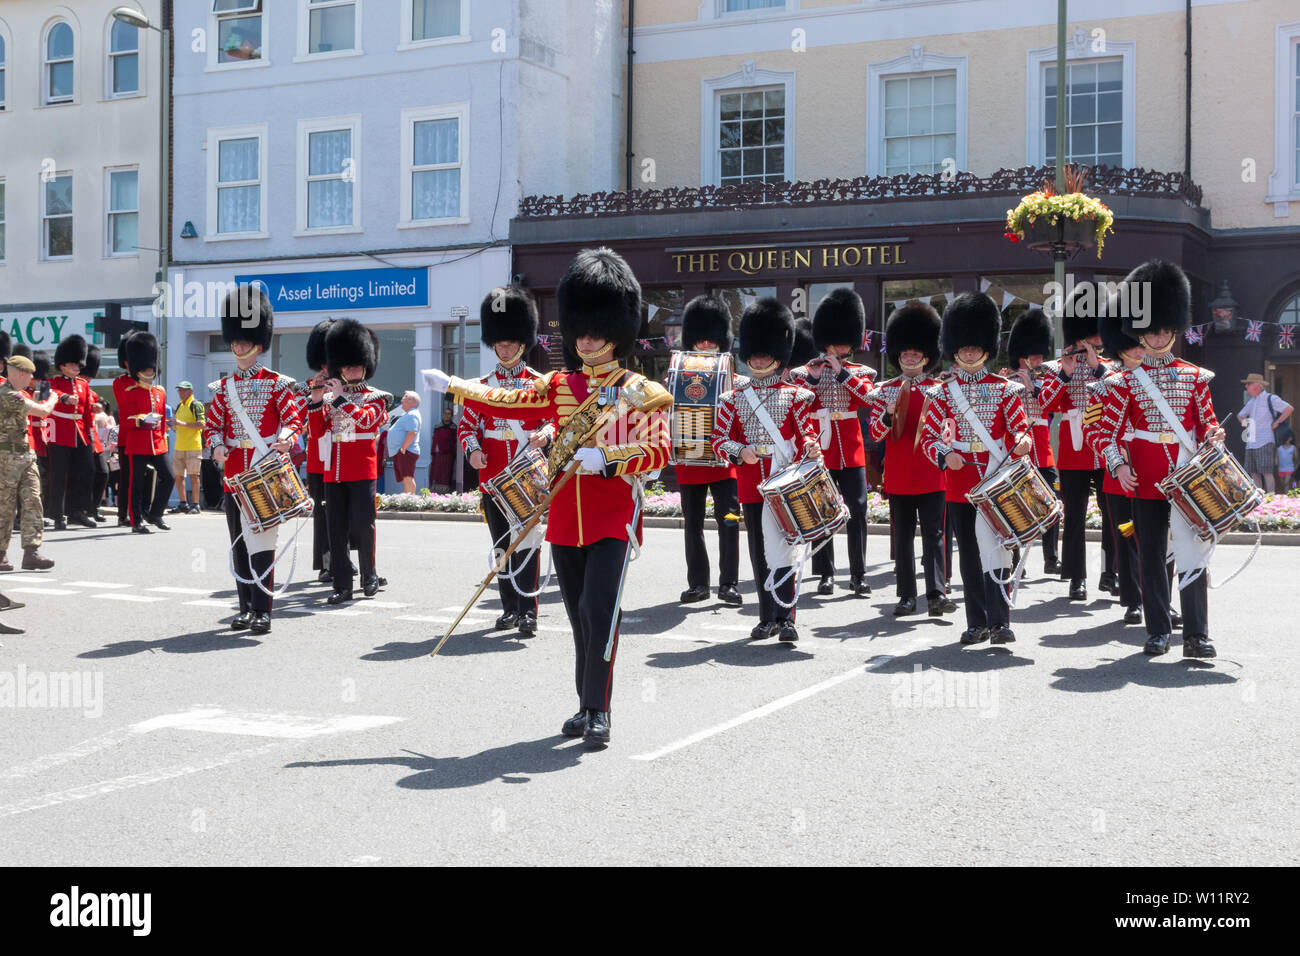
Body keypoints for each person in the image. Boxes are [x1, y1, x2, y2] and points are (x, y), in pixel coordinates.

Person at [425, 248, 673, 747]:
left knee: (599, 611)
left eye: (596, 330)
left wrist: (611, 459)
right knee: (580, 615)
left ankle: (599, 709)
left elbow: (660, 450)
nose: (586, 339)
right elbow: (509, 398)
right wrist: (455, 385)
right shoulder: (561, 384)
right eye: (580, 330)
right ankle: (585, 705)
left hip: (612, 518)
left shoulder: (639, 390)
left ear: (615, 331)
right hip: (564, 517)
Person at [1091, 259, 1224, 658]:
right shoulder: (1122, 383)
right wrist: (1119, 464)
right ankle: (1158, 631)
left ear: (1174, 328)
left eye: (1165, 329)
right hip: (1146, 478)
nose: (1159, 335)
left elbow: (1208, 426)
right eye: (1152, 330)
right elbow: (1103, 433)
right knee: (1151, 557)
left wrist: (1215, 439)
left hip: (1187, 479)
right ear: (1141, 333)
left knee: (1192, 555)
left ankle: (1197, 634)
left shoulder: (1195, 376)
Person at [919, 292, 1033, 646]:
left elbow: (1016, 427)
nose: (969, 354)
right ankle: (976, 621)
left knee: (997, 549)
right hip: (961, 480)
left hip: (996, 477)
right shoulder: (941, 393)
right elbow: (927, 438)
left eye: (974, 348)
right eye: (963, 349)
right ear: (955, 349)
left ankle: (1000, 622)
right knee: (969, 554)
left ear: (986, 348)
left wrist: (1022, 442)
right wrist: (944, 455)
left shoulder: (1006, 390)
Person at [712, 297, 821, 643]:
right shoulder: (734, 398)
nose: (758, 360)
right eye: (754, 355)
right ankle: (766, 617)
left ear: (778, 355)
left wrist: (812, 449)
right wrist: (739, 450)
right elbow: (718, 440)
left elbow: (807, 436)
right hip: (751, 485)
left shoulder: (797, 396)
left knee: (786, 550)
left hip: (784, 484)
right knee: (761, 553)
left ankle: (787, 616)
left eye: (764, 354)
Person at [203, 286, 304, 635]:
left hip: (263, 471)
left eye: (245, 341)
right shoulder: (221, 389)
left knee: (262, 541)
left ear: (257, 344)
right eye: (236, 341)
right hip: (234, 474)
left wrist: (287, 439)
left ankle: (263, 610)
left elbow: (293, 418)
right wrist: (216, 446)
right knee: (238, 542)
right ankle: (245, 606)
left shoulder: (277, 385)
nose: (239, 346)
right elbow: (213, 425)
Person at [456, 286, 547, 636]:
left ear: (523, 344)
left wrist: (546, 435)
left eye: (511, 344)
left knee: (528, 541)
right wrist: (473, 450)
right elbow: (467, 427)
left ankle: (529, 610)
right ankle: (509, 607)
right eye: (501, 344)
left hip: (527, 474)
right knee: (501, 545)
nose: (506, 349)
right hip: (492, 473)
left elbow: (554, 418)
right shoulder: (481, 387)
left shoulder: (540, 385)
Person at [787, 289, 877, 597]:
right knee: (822, 511)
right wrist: (813, 379)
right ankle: (825, 573)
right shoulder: (802, 372)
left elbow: (867, 398)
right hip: (820, 449)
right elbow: (798, 406)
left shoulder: (861, 372)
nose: (843, 347)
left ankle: (858, 574)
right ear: (825, 340)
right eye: (837, 341)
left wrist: (841, 374)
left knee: (858, 510)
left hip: (850, 450)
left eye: (846, 342)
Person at [868, 301, 955, 617]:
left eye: (916, 355)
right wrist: (889, 417)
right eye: (905, 354)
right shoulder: (884, 391)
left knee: (935, 535)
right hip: (900, 474)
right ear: (898, 356)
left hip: (932, 472)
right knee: (902, 539)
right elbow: (876, 433)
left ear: (926, 357)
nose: (910, 358)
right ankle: (906, 595)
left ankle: (936, 593)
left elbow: (950, 428)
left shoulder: (941, 390)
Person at [1038, 289, 1117, 600]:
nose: (1088, 346)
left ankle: (1111, 572)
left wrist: (1096, 364)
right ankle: (1076, 577)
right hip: (1074, 449)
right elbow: (1045, 404)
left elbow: (1116, 395)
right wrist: (1066, 374)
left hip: (1106, 447)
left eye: (1093, 342)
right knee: (1074, 517)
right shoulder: (1057, 368)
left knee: (1114, 515)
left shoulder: (1110, 366)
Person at [674, 294, 743, 607]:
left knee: (728, 520)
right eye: (699, 342)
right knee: (693, 526)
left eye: (710, 342)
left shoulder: (735, 379)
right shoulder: (676, 376)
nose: (704, 347)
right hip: (690, 458)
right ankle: (698, 584)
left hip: (723, 460)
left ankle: (728, 584)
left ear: (721, 343)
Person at [317, 318, 391, 604]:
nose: (352, 370)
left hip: (362, 469)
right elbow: (316, 431)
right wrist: (314, 399)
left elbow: (365, 422)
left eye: (357, 366)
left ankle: (369, 574)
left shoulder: (377, 397)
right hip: (333, 471)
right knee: (335, 529)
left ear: (365, 366)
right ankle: (341, 584)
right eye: (347, 366)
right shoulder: (329, 397)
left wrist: (337, 400)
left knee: (364, 524)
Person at [1085, 306, 1145, 626]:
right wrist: (1117, 463)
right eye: (1134, 346)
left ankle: (1158, 599)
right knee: (1125, 534)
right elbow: (1093, 431)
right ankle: (1133, 600)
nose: (1140, 350)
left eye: (1142, 344)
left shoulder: (1162, 382)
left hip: (1155, 470)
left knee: (1158, 538)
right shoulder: (1104, 386)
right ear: (1122, 350)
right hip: (1119, 471)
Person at [1006, 307, 1061, 575]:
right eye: (1033, 356)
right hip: (1018, 449)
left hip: (1043, 447)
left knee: (1052, 500)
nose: (1038, 360)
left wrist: (1032, 386)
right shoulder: (1007, 380)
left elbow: (1052, 404)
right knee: (1015, 503)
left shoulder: (1049, 377)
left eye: (1040, 355)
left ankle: (1051, 556)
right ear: (1022, 356)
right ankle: (1016, 558)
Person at [0, 354, 57, 573]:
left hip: (25, 455)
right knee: (5, 507)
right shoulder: (7, 394)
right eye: (30, 374)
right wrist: (52, 398)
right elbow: (42, 411)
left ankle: (31, 552)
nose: (32, 379)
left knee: (33, 501)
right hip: (7, 458)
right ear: (21, 373)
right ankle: (1, 555)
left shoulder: (18, 393)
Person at [113, 333, 174, 534]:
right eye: (146, 368)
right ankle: (135, 521)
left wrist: (163, 436)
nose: (149, 371)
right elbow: (127, 418)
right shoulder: (130, 390)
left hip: (157, 443)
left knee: (169, 477)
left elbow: (163, 419)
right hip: (137, 442)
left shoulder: (160, 392)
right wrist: (142, 420)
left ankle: (156, 513)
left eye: (151, 368)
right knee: (135, 483)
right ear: (138, 370)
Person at [46, 335, 97, 530]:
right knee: (59, 474)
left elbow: (85, 414)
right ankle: (57, 515)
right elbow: (51, 393)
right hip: (60, 432)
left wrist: (90, 436)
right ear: (62, 365)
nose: (77, 367)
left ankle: (78, 511)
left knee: (86, 471)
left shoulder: (83, 385)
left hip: (80, 433)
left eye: (78, 364)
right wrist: (65, 397)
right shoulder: (53, 381)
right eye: (73, 364)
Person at [299, 319, 337, 583]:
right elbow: (302, 426)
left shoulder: (344, 386)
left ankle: (342, 559)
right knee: (322, 512)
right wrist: (317, 392)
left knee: (342, 512)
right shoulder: (309, 388)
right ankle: (325, 563)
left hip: (341, 459)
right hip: (317, 460)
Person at [1237, 373, 1293, 493]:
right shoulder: (1252, 401)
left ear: (1258, 385)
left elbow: (1289, 408)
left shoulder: (1270, 398)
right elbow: (1240, 415)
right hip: (1251, 442)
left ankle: (1270, 498)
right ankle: (1260, 499)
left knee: (1266, 472)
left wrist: (1277, 422)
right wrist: (1246, 424)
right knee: (1253, 472)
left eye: (1249, 384)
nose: (1246, 386)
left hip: (1265, 440)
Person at [170, 381, 205, 514]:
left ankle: (196, 505)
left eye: (183, 390)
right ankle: (183, 503)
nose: (180, 393)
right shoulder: (180, 405)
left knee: (193, 476)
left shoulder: (196, 405)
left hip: (193, 446)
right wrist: (173, 425)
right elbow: (179, 426)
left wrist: (181, 423)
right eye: (179, 390)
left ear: (190, 391)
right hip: (179, 446)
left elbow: (202, 424)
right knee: (178, 476)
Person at [388, 391, 423, 496]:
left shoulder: (412, 414)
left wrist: (403, 447)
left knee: (408, 477)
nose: (401, 400)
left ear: (411, 400)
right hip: (404, 450)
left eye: (404, 397)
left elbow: (412, 432)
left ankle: (411, 500)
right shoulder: (409, 414)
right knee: (406, 477)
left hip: (407, 451)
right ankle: (407, 498)